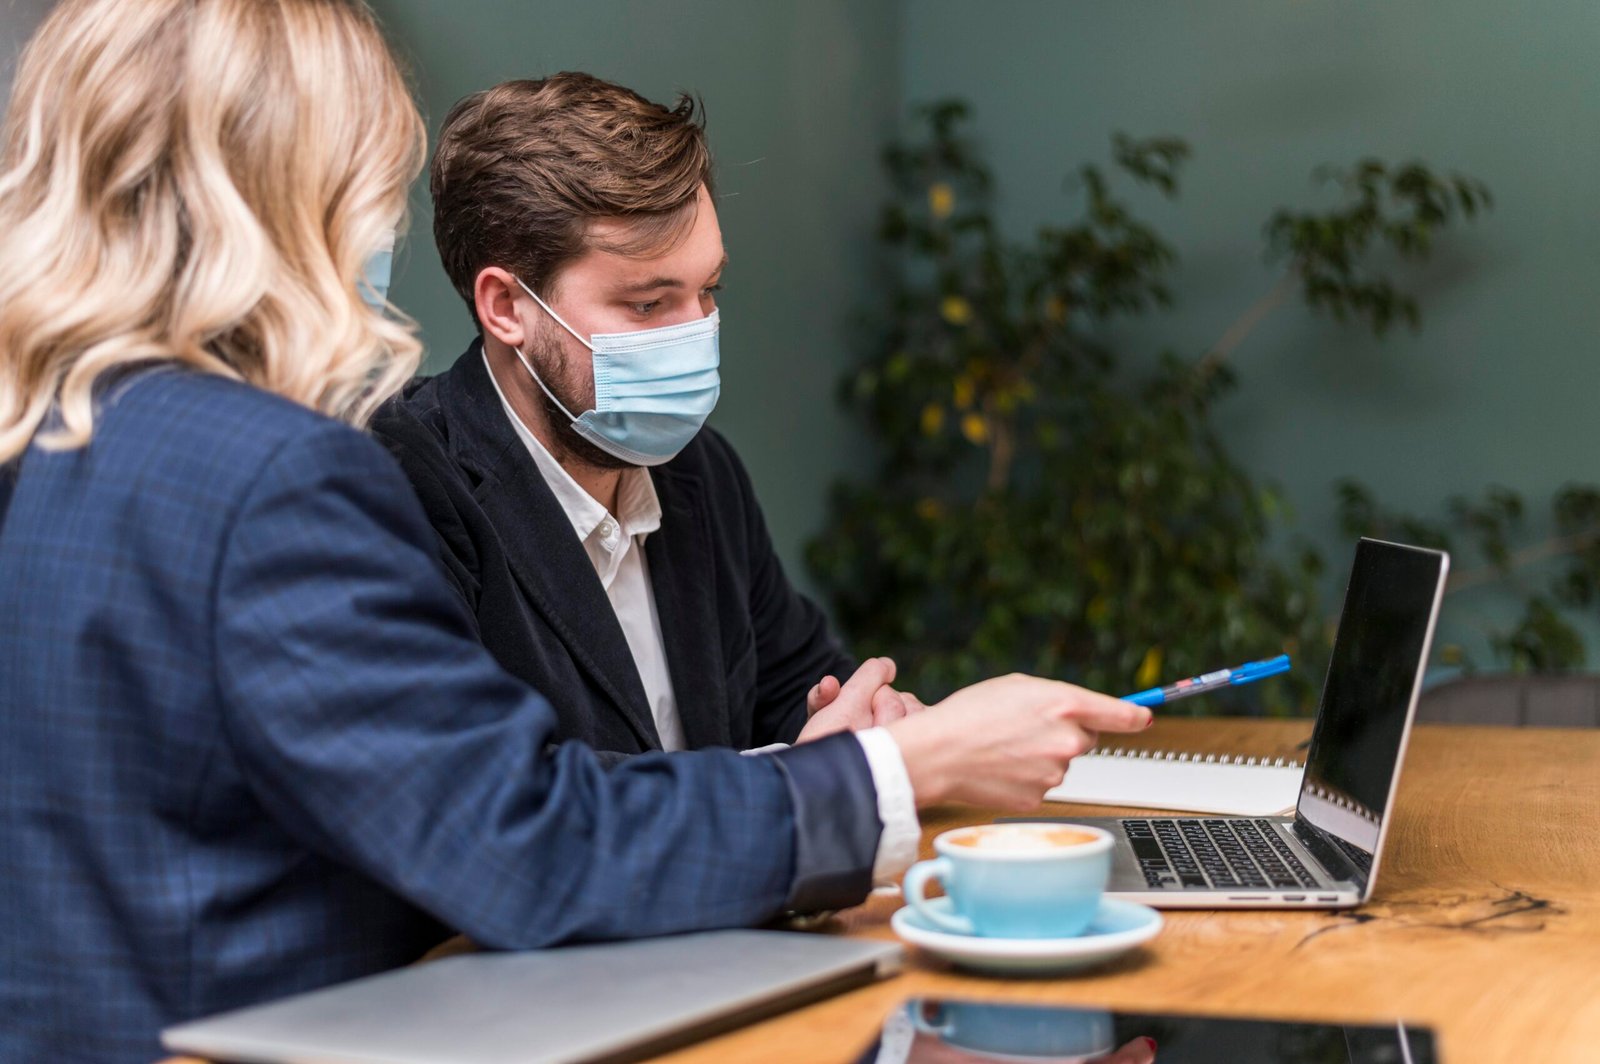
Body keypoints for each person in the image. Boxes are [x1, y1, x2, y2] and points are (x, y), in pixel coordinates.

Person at [0, 2, 1149, 1061]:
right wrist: (909, 763)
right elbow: (522, 842)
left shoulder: (56, 436)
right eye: (365, 187)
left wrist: (855, 745)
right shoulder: (287, 473)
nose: (376, 227)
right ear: (287, 196)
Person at [371, 72, 925, 761]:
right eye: (646, 304)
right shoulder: (397, 490)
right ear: (507, 308)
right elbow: (507, 803)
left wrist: (859, 718)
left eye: (708, 290)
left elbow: (795, 688)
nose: (696, 332)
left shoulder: (701, 473)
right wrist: (800, 784)